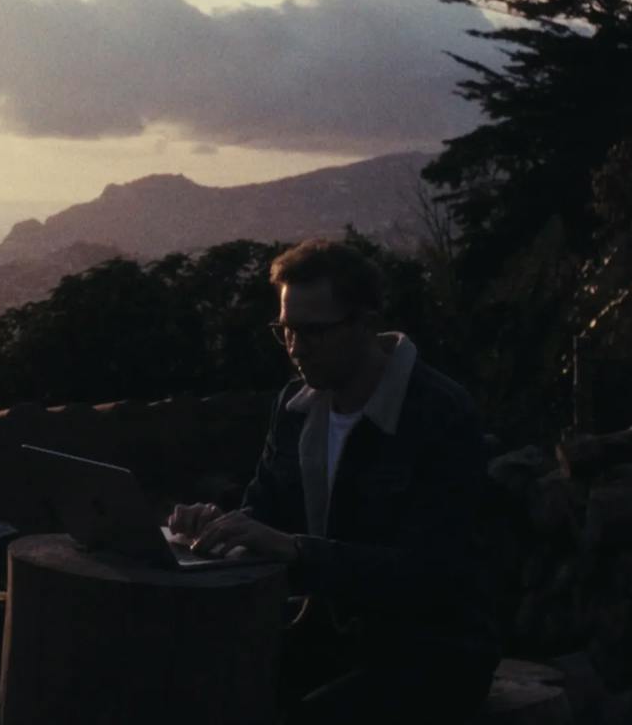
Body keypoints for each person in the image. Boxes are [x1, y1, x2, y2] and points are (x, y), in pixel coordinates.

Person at [168, 238, 498, 723]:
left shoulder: (439, 414)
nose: (296, 349)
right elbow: (266, 510)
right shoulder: (297, 408)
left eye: (313, 332)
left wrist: (298, 551)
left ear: (365, 324)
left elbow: (430, 574)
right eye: (286, 332)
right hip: (330, 634)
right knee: (195, 683)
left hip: (436, 650)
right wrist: (219, 526)